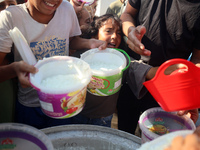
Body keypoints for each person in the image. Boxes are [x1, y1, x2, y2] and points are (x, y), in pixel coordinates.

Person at [0, 0, 107, 129]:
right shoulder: (9, 17)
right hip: (30, 104)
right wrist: (14, 69)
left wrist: (89, 43)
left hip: (65, 100)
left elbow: (70, 41)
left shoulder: (66, 9)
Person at [117, 0, 200, 135]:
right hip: (132, 76)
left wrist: (191, 94)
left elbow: (197, 58)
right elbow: (127, 14)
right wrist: (130, 31)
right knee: (124, 132)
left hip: (169, 89)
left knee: (156, 137)